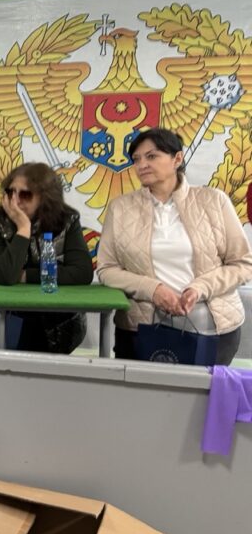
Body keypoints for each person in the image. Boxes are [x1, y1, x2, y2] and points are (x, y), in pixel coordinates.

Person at [97, 128, 252, 365]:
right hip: (140, 328)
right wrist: (153, 289)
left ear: (177, 159)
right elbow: (107, 269)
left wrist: (199, 288)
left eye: (151, 156)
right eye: (136, 159)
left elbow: (242, 264)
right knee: (143, 390)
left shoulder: (213, 201)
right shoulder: (120, 208)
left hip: (213, 327)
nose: (141, 165)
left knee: (204, 391)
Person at [0, 162, 93, 353]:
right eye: (10, 192)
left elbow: (82, 273)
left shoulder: (67, 220)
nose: (15, 201)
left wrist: (25, 276)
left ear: (45, 197)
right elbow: (4, 276)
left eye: (25, 195)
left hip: (57, 322)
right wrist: (23, 229)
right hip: (5, 317)